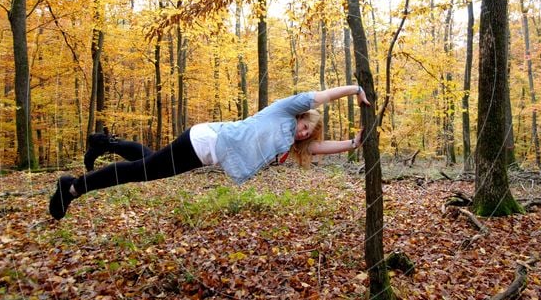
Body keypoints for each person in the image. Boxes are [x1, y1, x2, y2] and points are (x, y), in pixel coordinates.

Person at [49, 85, 369, 219]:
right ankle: (73, 188)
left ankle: (106, 145)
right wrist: (354, 90)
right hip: (205, 141)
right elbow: (322, 96)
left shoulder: (290, 142)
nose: (304, 132)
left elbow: (318, 148)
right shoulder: (284, 111)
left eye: (307, 132)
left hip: (207, 150)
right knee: (143, 171)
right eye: (305, 125)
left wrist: (353, 144)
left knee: (148, 161)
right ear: (300, 116)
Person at [84, 127, 153, 171]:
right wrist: (90, 171)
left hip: (142, 155)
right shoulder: (98, 144)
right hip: (115, 145)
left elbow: (88, 157)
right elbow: (88, 157)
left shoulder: (115, 144)